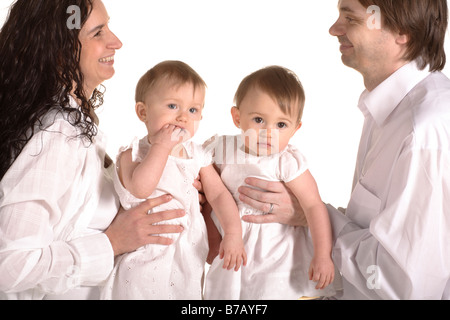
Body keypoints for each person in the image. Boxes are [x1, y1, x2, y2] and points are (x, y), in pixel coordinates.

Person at [239, 0, 450, 300]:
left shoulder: (424, 131)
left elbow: (401, 287)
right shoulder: (389, 111)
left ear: (402, 31)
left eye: (350, 18)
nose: (334, 29)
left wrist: (314, 217)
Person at [0, 0, 186, 300]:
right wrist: (111, 243)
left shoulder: (72, 124)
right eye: (98, 33)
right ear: (60, 51)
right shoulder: (57, 134)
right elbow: (8, 266)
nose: (116, 42)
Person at [100, 61, 247, 300]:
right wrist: (161, 147)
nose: (183, 117)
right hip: (145, 249)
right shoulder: (134, 154)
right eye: (172, 106)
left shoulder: (197, 154)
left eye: (193, 110)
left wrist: (233, 233)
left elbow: (219, 195)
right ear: (143, 112)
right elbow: (140, 189)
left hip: (186, 251)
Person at [203, 66, 336, 300]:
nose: (268, 133)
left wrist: (322, 255)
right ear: (237, 117)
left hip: (278, 257)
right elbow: (209, 200)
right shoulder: (221, 150)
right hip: (234, 250)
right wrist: (213, 241)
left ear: (295, 129)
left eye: (281, 125)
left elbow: (314, 206)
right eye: (258, 120)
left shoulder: (286, 162)